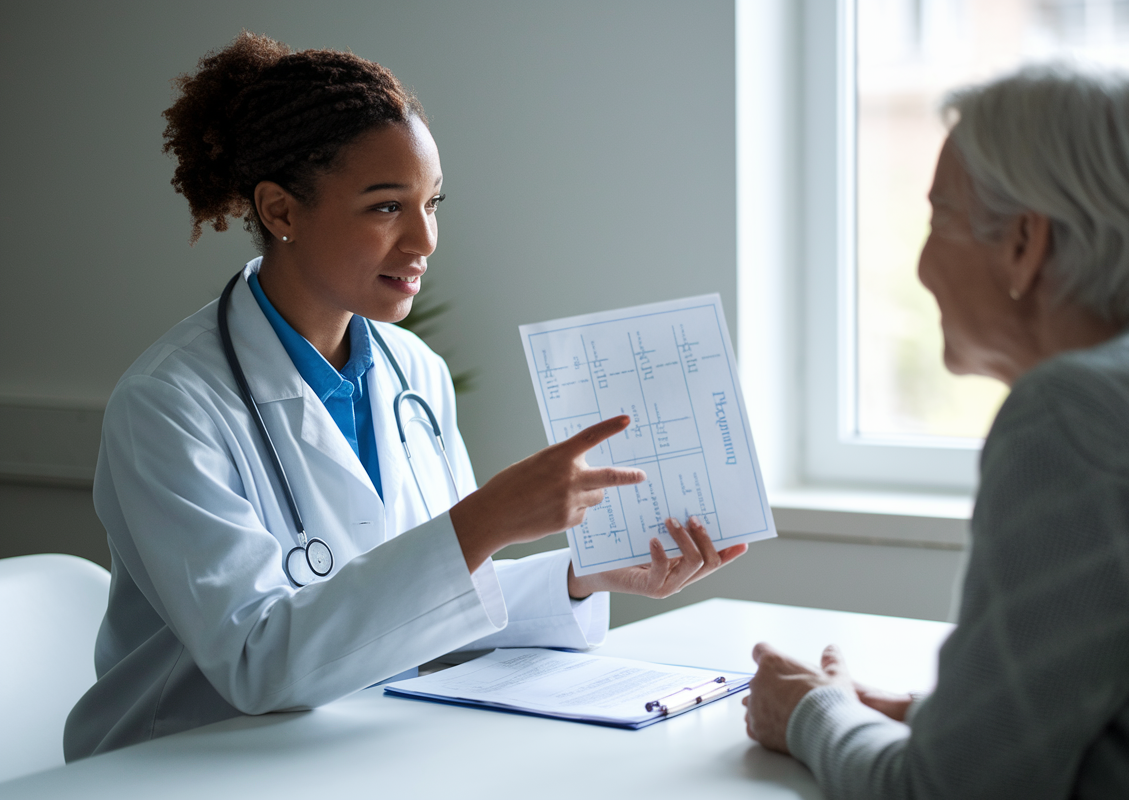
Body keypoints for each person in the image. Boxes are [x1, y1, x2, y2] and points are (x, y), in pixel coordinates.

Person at [65, 32, 747, 761]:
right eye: (387, 206)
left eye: (432, 203)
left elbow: (425, 602)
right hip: (180, 762)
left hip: (351, 748)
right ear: (281, 211)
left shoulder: (412, 372)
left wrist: (583, 575)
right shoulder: (168, 406)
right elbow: (257, 661)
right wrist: (485, 519)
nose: (423, 239)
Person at [744, 63, 1129, 798]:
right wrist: (928, 716)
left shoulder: (1077, 419)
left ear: (1025, 243)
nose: (923, 265)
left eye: (938, 220)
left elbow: (939, 794)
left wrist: (810, 712)